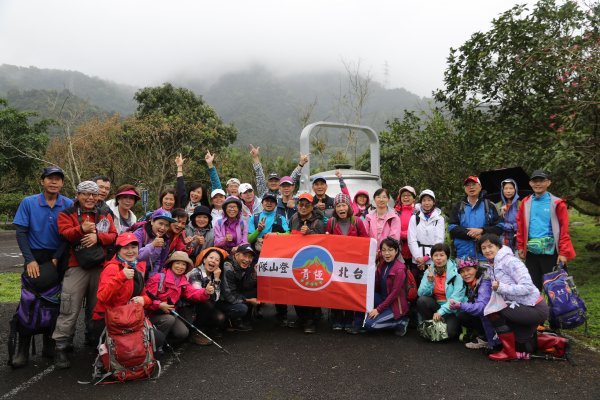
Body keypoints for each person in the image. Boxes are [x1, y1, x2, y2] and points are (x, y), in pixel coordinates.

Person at [12, 165, 73, 368]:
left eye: (58, 179)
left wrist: (57, 258)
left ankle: (49, 344)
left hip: (58, 258)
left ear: (63, 183)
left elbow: (68, 234)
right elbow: (21, 232)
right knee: (29, 302)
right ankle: (23, 349)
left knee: (54, 303)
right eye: (50, 178)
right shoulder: (29, 202)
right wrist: (29, 260)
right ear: (42, 181)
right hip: (35, 257)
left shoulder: (68, 203)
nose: (54, 182)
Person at [53, 181, 117, 368]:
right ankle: (62, 346)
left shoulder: (104, 214)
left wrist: (98, 235)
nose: (90, 198)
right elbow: (64, 233)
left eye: (94, 195)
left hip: (99, 265)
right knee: (69, 306)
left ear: (98, 197)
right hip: (75, 266)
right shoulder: (67, 213)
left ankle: (93, 339)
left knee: (96, 306)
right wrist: (81, 229)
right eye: (85, 194)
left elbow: (113, 235)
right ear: (77, 194)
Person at [477, 234, 549, 361]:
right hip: (520, 306)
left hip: (534, 307)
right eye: (483, 248)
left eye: (490, 246)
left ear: (498, 246)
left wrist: (501, 287)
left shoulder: (510, 261)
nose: (487, 250)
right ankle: (515, 346)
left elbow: (527, 287)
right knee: (522, 343)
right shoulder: (493, 264)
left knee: (493, 310)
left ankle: (509, 352)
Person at [516, 170, 576, 290]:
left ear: (548, 183)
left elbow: (564, 230)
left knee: (556, 287)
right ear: (530, 183)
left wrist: (563, 252)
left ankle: (558, 309)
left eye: (541, 181)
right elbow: (520, 226)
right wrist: (521, 246)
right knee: (533, 288)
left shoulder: (557, 203)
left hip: (551, 252)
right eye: (535, 181)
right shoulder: (525, 202)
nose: (538, 184)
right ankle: (540, 309)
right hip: (532, 251)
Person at [91, 232, 152, 341]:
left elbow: (144, 295)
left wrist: (144, 300)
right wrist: (121, 277)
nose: (130, 251)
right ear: (118, 250)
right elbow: (102, 297)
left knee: (156, 339)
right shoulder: (112, 268)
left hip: (128, 317)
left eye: (133, 247)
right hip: (109, 319)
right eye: (126, 248)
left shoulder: (136, 266)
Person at [145, 251, 212, 345]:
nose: (180, 267)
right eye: (177, 263)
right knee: (169, 320)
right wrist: (159, 305)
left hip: (169, 313)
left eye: (183, 264)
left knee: (183, 333)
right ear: (171, 264)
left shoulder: (182, 279)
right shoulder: (158, 278)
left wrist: (205, 292)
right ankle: (155, 345)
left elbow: (191, 293)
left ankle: (164, 343)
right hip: (152, 314)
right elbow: (146, 298)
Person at [326, 193, 369, 331]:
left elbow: (365, 240)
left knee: (350, 291)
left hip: (353, 264)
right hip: (335, 264)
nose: (341, 208)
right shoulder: (331, 222)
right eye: (338, 206)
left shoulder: (357, 221)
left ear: (349, 207)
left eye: (343, 205)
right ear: (335, 208)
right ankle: (337, 319)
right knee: (336, 291)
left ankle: (349, 320)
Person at [287, 192, 326, 333]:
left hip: (313, 262)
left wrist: (309, 232)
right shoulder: (294, 218)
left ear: (312, 206)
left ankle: (311, 320)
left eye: (307, 205)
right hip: (297, 260)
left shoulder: (319, 222)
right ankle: (302, 318)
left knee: (311, 291)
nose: (303, 207)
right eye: (301, 204)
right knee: (297, 290)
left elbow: (323, 241)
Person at [358, 237, 410, 335]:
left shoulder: (400, 269)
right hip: (383, 300)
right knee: (363, 296)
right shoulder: (382, 265)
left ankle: (400, 322)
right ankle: (360, 321)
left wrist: (378, 309)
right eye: (384, 250)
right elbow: (376, 286)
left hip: (395, 306)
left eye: (390, 250)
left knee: (370, 325)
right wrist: (374, 268)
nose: (387, 253)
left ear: (396, 251)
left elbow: (394, 293)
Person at [416, 243, 466, 340]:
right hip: (435, 306)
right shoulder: (429, 270)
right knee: (422, 300)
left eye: (442, 255)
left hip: (451, 309)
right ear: (432, 257)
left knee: (450, 334)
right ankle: (432, 324)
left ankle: (441, 324)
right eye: (435, 255)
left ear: (447, 256)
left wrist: (440, 312)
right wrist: (430, 282)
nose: (438, 258)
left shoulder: (456, 272)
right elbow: (420, 294)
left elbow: (456, 298)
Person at [448, 175, 503, 261]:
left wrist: (482, 231)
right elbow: (452, 227)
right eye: (468, 185)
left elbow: (499, 227)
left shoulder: (489, 205)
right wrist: (472, 234)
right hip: (464, 255)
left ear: (480, 187)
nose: (471, 187)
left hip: (486, 254)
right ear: (464, 189)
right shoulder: (458, 206)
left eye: (474, 184)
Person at [448, 256, 497, 350]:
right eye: (462, 271)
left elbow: (482, 308)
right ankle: (484, 337)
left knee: (472, 313)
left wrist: (461, 305)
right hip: (491, 312)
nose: (465, 274)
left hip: (497, 314)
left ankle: (491, 341)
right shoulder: (473, 281)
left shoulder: (485, 282)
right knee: (463, 316)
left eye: (468, 270)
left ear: (476, 268)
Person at [186, 247, 229, 344]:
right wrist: (206, 292)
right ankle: (195, 333)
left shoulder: (214, 275)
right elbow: (197, 295)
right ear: (204, 259)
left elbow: (216, 298)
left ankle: (204, 330)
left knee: (220, 317)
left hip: (205, 305)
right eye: (211, 258)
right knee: (207, 303)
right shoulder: (195, 272)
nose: (213, 261)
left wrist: (217, 279)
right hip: (190, 306)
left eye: (217, 260)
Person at [407, 189, 445, 287]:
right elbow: (411, 239)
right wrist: (418, 257)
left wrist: (427, 257)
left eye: (429, 200)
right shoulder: (414, 218)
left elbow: (439, 240)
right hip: (417, 259)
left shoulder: (439, 219)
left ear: (433, 202)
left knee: (431, 284)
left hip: (433, 258)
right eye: (424, 200)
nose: (426, 203)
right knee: (416, 285)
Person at [218, 244, 259, 331]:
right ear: (236, 255)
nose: (247, 260)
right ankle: (228, 322)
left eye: (250, 257)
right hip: (221, 300)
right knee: (242, 308)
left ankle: (243, 319)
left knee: (256, 291)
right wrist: (249, 301)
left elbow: (246, 286)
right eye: (244, 255)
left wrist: (254, 274)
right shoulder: (228, 267)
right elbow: (229, 296)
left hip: (235, 293)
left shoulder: (244, 265)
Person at [135, 209, 176, 279]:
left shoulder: (164, 240)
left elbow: (160, 262)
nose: (163, 228)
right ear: (152, 222)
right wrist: (152, 245)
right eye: (160, 223)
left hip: (149, 274)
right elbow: (136, 257)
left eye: (166, 225)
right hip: (134, 272)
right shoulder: (139, 234)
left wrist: (152, 280)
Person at [394, 186, 417, 270]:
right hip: (399, 249)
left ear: (414, 198)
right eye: (403, 195)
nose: (406, 197)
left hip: (414, 251)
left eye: (408, 195)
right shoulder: (395, 212)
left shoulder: (418, 212)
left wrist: (405, 235)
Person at [498, 179, 520, 252]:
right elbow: (495, 223)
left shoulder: (521, 204)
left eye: (511, 188)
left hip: (518, 239)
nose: (508, 191)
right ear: (502, 190)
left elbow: (525, 220)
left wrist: (516, 226)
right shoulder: (498, 205)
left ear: (515, 189)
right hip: (503, 240)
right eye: (506, 188)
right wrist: (501, 214)